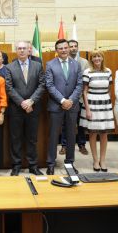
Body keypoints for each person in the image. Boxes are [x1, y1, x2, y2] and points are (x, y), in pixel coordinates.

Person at [5, 41, 45, 175]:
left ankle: (33, 166)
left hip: (33, 108)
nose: (21, 51)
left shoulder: (38, 66)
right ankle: (16, 165)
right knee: (15, 138)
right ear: (16, 51)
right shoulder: (9, 67)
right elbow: (9, 88)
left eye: (24, 48)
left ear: (29, 50)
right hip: (16, 109)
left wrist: (31, 101)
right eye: (19, 48)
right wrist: (22, 102)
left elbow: (41, 85)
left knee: (32, 138)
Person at [45, 39, 83, 175]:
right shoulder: (50, 64)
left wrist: (71, 100)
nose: (63, 50)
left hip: (72, 106)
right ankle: (50, 163)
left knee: (71, 135)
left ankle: (70, 163)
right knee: (53, 135)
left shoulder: (76, 64)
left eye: (65, 48)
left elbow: (79, 85)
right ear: (56, 50)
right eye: (60, 48)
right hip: (56, 105)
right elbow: (49, 85)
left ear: (69, 49)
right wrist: (62, 100)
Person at [80, 50, 114, 172]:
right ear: (91, 59)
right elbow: (84, 91)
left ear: (102, 58)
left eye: (98, 56)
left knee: (104, 134)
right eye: (94, 57)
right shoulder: (87, 72)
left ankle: (103, 160)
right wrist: (87, 109)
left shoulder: (108, 71)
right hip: (91, 104)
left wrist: (107, 104)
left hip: (105, 105)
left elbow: (109, 89)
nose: (96, 58)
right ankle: (95, 160)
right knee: (93, 133)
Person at [61, 39, 90, 156]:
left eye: (75, 46)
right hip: (66, 98)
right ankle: (64, 145)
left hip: (80, 97)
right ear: (67, 48)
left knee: (81, 123)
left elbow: (86, 81)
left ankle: (81, 144)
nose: (73, 48)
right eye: (71, 46)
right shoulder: (63, 61)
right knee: (65, 123)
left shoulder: (84, 62)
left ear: (78, 48)